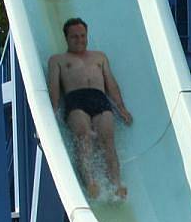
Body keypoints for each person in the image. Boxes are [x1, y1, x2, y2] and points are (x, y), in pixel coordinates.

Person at [47, 17, 133, 199]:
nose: (80, 40)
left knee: (107, 139)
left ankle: (116, 184)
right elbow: (54, 88)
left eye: (82, 36)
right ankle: (90, 181)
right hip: (75, 100)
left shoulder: (99, 57)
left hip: (99, 99)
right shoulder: (58, 60)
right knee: (83, 135)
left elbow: (111, 84)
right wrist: (53, 111)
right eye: (75, 37)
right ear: (66, 38)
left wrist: (121, 108)